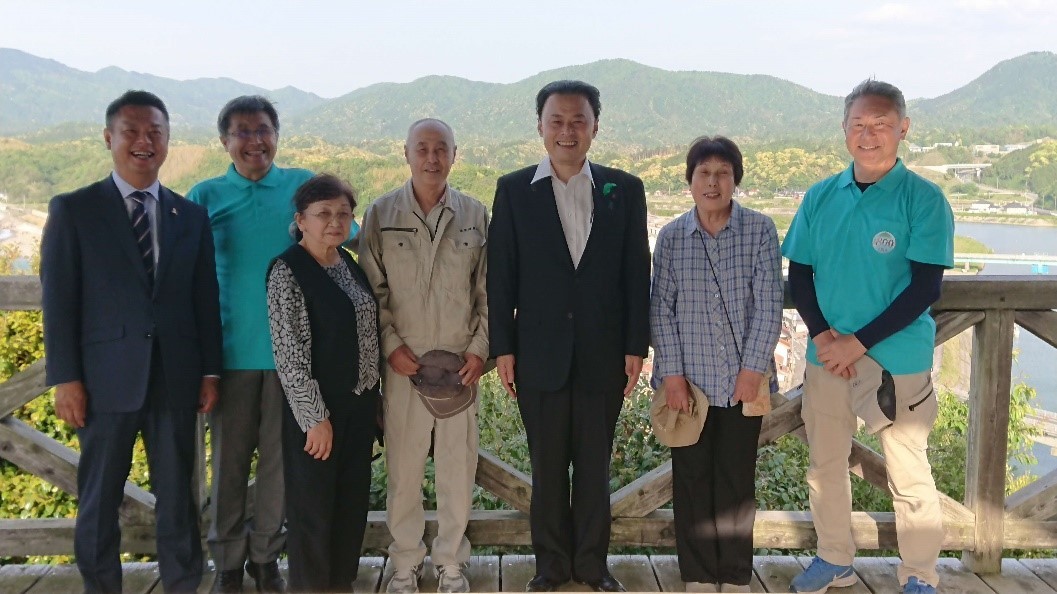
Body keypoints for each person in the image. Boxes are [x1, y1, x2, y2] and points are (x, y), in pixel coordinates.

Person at [40, 90, 223, 594]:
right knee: (98, 497)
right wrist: (66, 378)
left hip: (176, 378)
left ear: (166, 140)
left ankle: (183, 583)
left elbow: (204, 299)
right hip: (102, 382)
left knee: (178, 496)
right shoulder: (74, 210)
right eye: (132, 132)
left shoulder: (189, 216)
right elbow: (59, 302)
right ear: (109, 138)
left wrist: (210, 370)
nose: (144, 141)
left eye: (155, 132)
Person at [782, 80, 954, 594]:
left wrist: (855, 342)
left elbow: (924, 287)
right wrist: (824, 337)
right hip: (826, 357)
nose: (869, 134)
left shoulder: (923, 199)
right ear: (844, 129)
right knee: (826, 463)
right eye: (858, 123)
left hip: (897, 360)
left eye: (881, 124)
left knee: (908, 471)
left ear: (903, 129)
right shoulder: (820, 196)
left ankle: (920, 574)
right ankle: (834, 557)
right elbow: (800, 273)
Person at [487, 80, 651, 593]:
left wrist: (635, 346)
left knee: (594, 469)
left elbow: (634, 274)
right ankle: (551, 567)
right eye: (556, 121)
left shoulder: (624, 189)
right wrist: (503, 348)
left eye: (578, 121)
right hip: (538, 355)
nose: (567, 131)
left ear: (595, 128)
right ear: (540, 127)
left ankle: (593, 567)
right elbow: (501, 276)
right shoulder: (514, 190)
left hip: (605, 355)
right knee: (548, 467)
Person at [187, 95, 314, 593]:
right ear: (224, 141)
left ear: (277, 135)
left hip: (293, 357)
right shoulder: (206, 195)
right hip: (230, 357)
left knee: (281, 469)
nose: (254, 140)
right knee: (229, 469)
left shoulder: (301, 187)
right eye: (241, 131)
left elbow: (344, 230)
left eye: (263, 129)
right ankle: (227, 566)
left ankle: (266, 560)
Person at [360, 118, 488, 594]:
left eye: (441, 149)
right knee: (405, 471)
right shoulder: (380, 213)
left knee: (459, 471)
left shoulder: (476, 215)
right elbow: (371, 290)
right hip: (403, 368)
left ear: (455, 154)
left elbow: (488, 292)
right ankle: (404, 564)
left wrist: (479, 351)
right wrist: (390, 346)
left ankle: (451, 563)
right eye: (422, 149)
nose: (432, 158)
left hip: (460, 369)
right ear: (406, 154)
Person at [650, 136, 782, 593]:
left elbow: (768, 304)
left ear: (735, 180)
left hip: (742, 383)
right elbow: (660, 310)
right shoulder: (670, 237)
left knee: (736, 480)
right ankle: (699, 575)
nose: (712, 182)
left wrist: (752, 368)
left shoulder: (760, 230)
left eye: (722, 173)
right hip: (689, 387)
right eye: (703, 173)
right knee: (691, 481)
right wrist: (671, 376)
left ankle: (734, 575)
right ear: (689, 181)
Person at [266, 174, 381, 593]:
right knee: (313, 509)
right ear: (301, 219)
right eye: (324, 214)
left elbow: (367, 333)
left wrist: (375, 399)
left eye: (344, 214)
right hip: (318, 413)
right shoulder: (288, 270)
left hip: (360, 406)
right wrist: (315, 418)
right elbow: (289, 354)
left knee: (350, 504)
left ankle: (340, 582)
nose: (335, 222)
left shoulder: (346, 263)